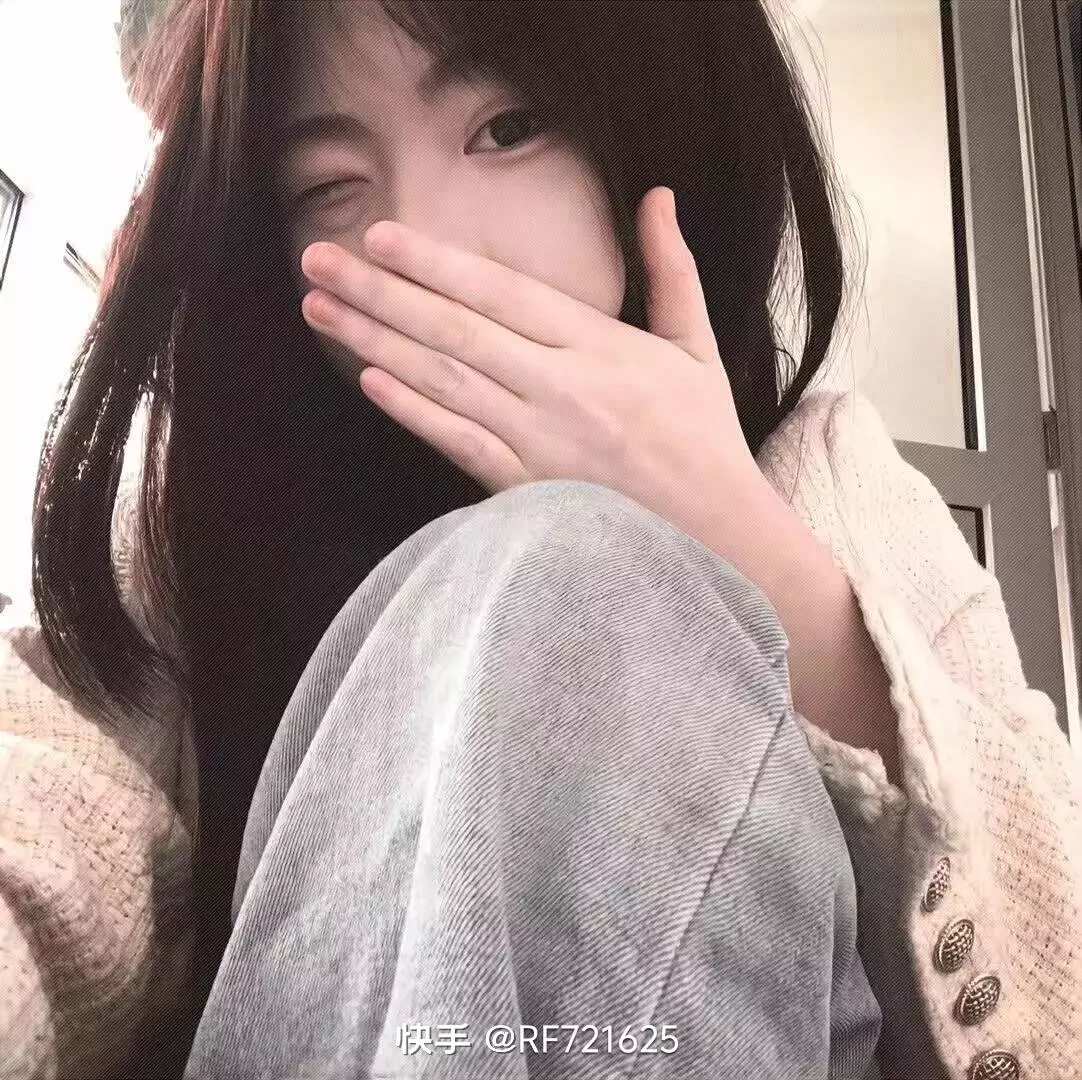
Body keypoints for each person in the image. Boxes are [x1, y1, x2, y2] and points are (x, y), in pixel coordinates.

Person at [1, 1, 1079, 1078]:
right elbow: (45, 812)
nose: (421, 242)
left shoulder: (836, 475)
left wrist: (750, 552)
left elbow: (1057, 972)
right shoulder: (203, 523)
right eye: (328, 186)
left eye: (507, 129)